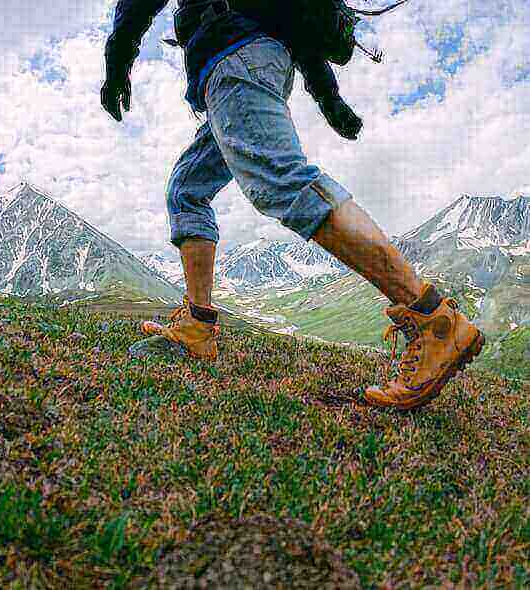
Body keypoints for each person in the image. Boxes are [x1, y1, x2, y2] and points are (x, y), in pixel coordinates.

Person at [101, 0, 485, 410]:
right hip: (245, 62)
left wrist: (117, 62)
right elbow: (292, 22)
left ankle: (434, 320)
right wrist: (331, 102)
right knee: (187, 190)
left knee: (284, 181)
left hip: (233, 58)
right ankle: (198, 325)